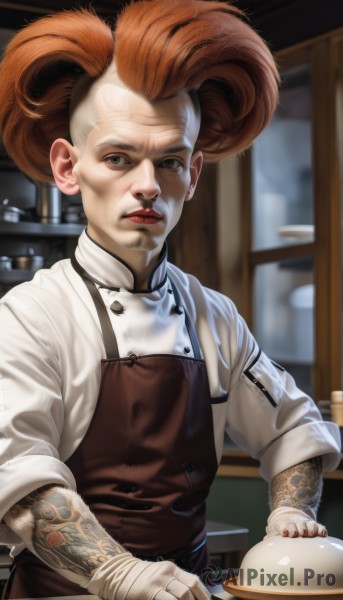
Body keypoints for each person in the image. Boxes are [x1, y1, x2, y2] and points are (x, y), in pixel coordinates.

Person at [0, 1, 341, 599]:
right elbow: (17, 477)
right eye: (118, 158)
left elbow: (293, 428)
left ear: (195, 174)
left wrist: (292, 515)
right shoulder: (29, 317)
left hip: (192, 588)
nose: (149, 186)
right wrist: (120, 574)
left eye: (170, 161)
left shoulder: (214, 316)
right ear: (68, 167)